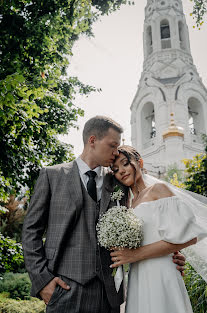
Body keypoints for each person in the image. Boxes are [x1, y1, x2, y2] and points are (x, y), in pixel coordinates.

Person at [22, 117, 185, 313]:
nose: (117, 152)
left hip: (109, 296)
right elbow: (31, 232)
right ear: (92, 141)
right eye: (113, 145)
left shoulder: (118, 181)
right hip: (65, 291)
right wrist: (43, 281)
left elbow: (145, 219)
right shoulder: (52, 176)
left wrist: (171, 254)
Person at [110, 145, 207, 313]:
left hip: (161, 272)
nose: (121, 171)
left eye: (126, 163)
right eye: (116, 169)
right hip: (138, 274)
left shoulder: (158, 190)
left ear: (139, 162)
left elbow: (189, 237)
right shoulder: (128, 204)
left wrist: (134, 254)